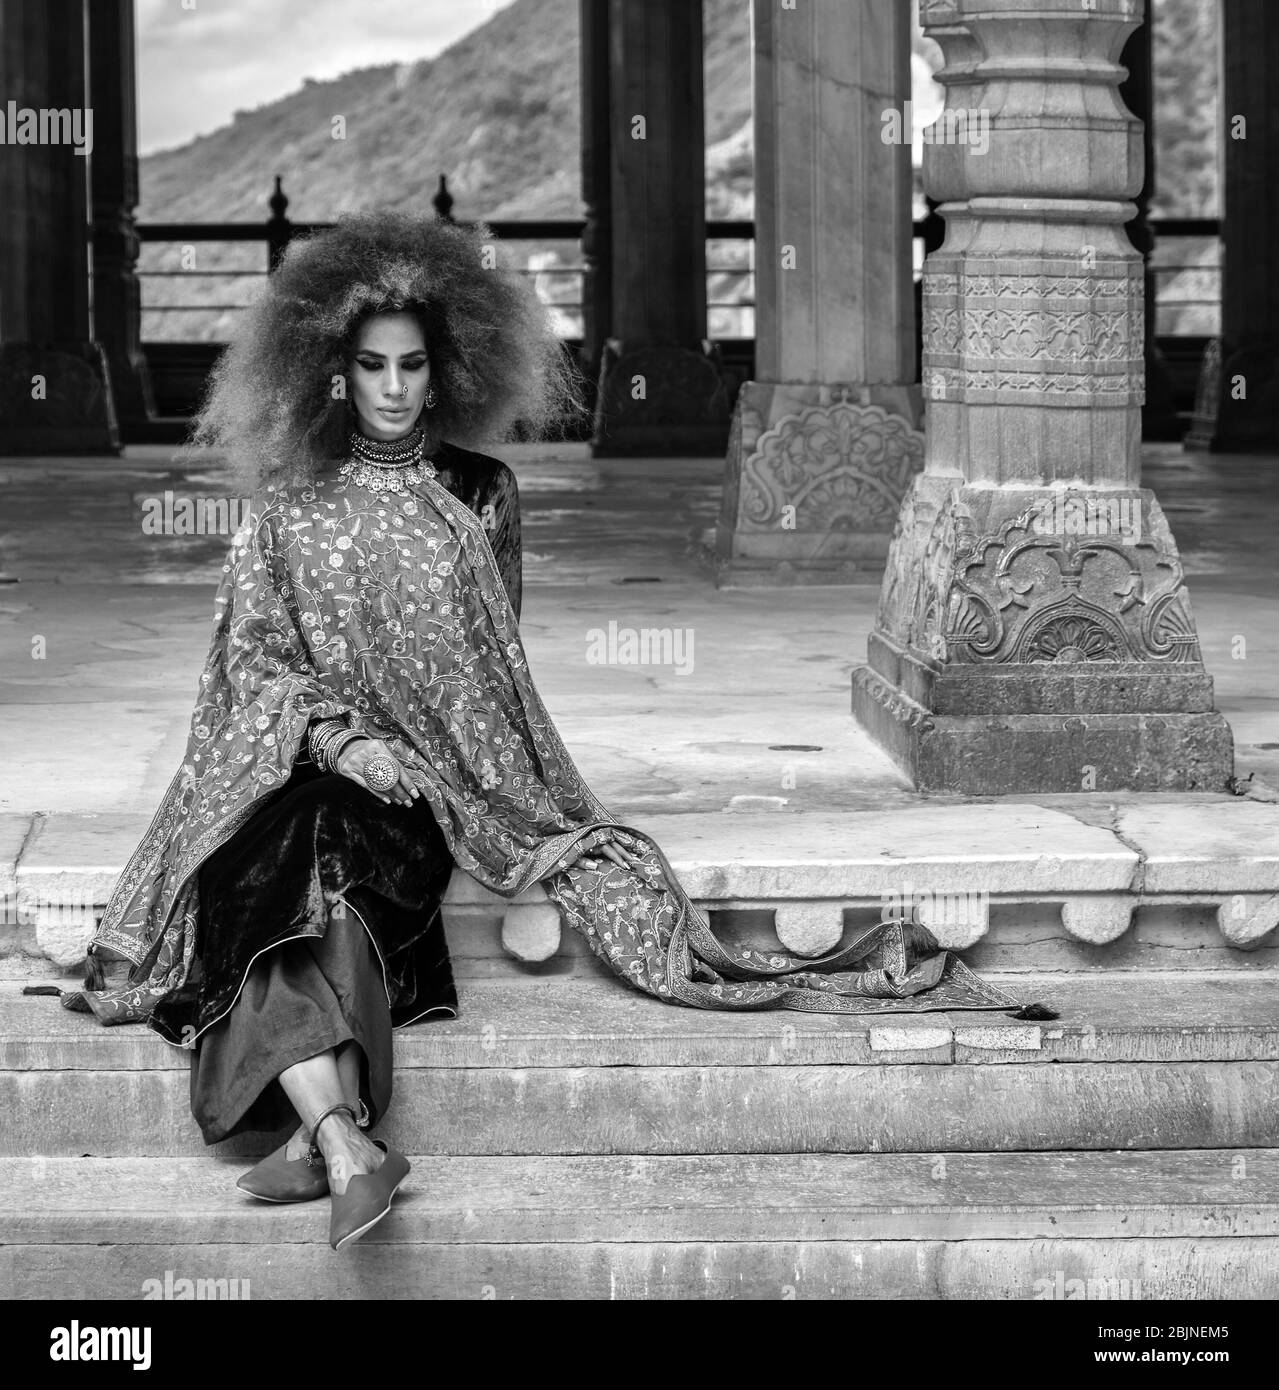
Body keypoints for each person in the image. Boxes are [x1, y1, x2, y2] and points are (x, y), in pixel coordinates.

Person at [64, 212, 1017, 1251]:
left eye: (412, 366)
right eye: (371, 367)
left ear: (445, 371)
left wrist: (410, 754)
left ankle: (323, 1137)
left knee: (314, 872)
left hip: (436, 789)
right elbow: (251, 668)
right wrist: (341, 743)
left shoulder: (482, 493)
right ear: (332, 376)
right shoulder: (292, 503)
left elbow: (490, 676)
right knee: (278, 866)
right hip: (302, 777)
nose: (392, 389)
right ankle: (343, 1141)